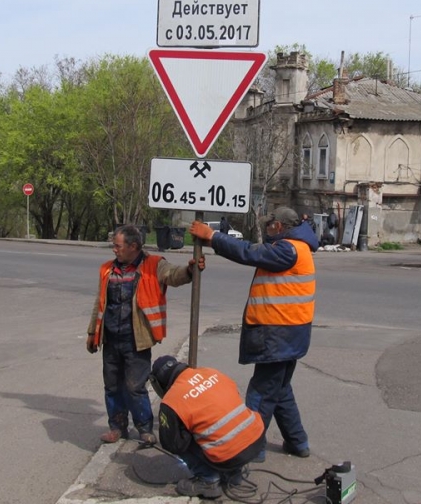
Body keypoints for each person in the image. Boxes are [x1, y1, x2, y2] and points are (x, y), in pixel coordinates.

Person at [189, 206, 318, 461]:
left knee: (261, 392)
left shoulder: (288, 249)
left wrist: (213, 237)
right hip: (288, 334)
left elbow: (248, 251)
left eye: (270, 225)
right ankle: (297, 441)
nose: (268, 229)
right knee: (279, 390)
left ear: (279, 227)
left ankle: (249, 448)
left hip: (277, 334)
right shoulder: (295, 247)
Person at [86, 224, 205, 446]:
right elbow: (100, 304)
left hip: (136, 340)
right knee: (112, 386)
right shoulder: (107, 270)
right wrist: (93, 332)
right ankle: (117, 427)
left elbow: (174, 275)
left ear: (133, 246)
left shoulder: (154, 265)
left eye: (118, 245)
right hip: (111, 339)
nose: (114, 249)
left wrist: (189, 271)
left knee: (135, 386)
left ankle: (144, 429)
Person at [150, 355, 265, 499]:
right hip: (257, 440)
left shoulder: (172, 400)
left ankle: (207, 480)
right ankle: (234, 474)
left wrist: (186, 430)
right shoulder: (210, 372)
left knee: (182, 437)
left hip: (229, 455)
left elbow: (172, 445)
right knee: (222, 422)